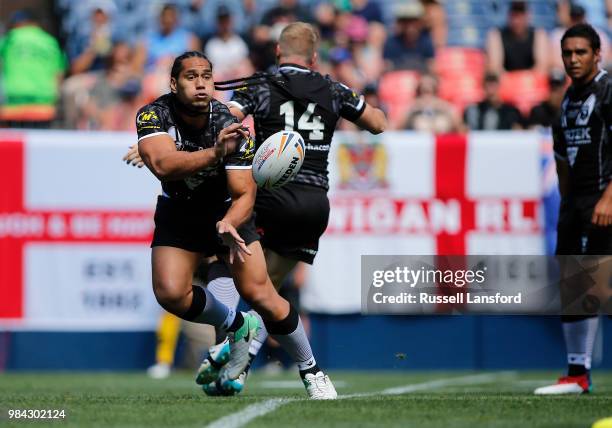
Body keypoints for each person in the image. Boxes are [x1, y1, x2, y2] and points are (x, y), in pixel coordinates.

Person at [134, 51, 337, 399]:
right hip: (179, 211)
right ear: (173, 83)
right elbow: (164, 165)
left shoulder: (229, 123)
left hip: (227, 211)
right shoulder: (154, 113)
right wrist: (214, 154)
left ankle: (312, 370)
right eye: (190, 76)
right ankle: (238, 325)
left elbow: (244, 193)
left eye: (207, 76)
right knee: (169, 293)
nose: (200, 83)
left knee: (262, 294)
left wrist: (228, 223)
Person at [213, 21, 386, 394]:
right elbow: (378, 123)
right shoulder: (332, 88)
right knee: (267, 291)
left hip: (270, 198)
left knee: (227, 267)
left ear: (278, 52)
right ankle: (238, 367)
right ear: (313, 57)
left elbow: (226, 117)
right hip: (313, 205)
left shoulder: (261, 84)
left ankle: (232, 348)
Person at [534, 24, 612, 395]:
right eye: (567, 53)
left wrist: (608, 198)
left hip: (605, 199)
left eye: (581, 52)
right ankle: (577, 373)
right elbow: (561, 155)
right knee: (573, 284)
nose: (573, 59)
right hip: (577, 203)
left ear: (598, 54)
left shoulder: (608, 91)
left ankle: (580, 373)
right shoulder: (568, 99)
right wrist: (568, 202)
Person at [0, 9, 65, 128]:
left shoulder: (10, 38)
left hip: (14, 105)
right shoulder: (50, 41)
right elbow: (59, 74)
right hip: (45, 105)